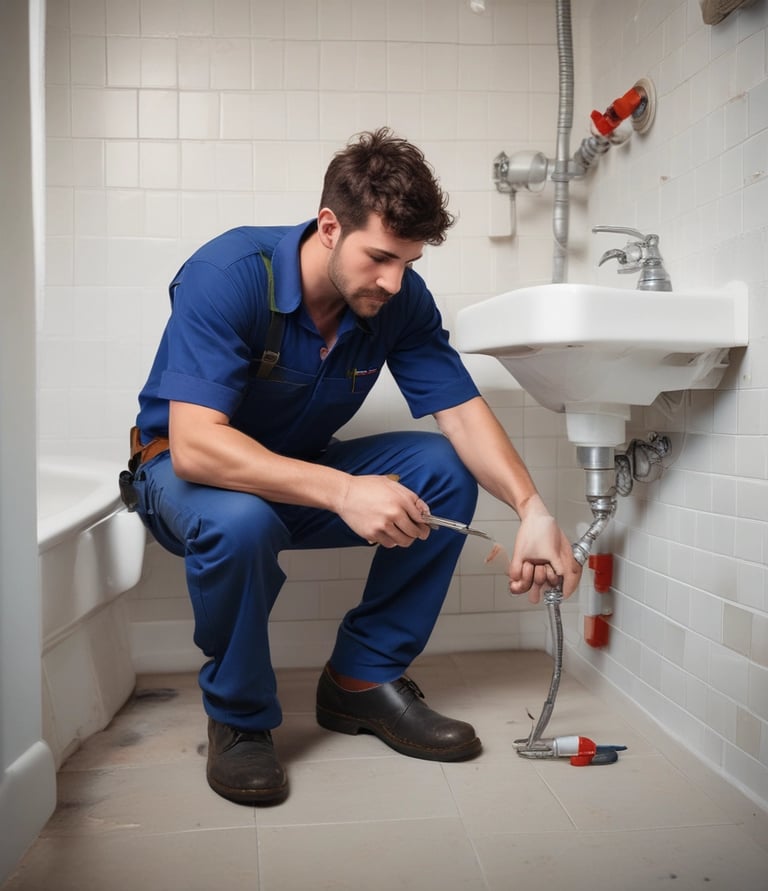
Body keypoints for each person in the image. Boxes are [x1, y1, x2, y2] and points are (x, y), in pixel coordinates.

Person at [125, 127, 581, 807]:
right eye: (379, 258)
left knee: (441, 465)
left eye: (408, 260)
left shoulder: (398, 298)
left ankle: (361, 681)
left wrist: (532, 507)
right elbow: (195, 445)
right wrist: (343, 490)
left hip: (300, 471)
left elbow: (459, 410)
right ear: (330, 226)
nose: (394, 280)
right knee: (243, 519)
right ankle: (240, 718)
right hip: (184, 478)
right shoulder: (231, 274)